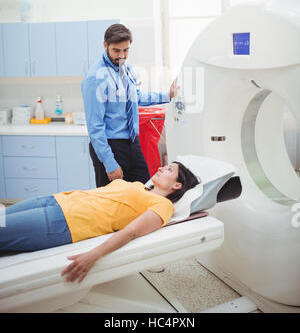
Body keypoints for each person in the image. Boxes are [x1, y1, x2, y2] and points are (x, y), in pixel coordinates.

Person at [0, 162, 198, 283]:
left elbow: (132, 232)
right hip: (56, 200)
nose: (161, 168)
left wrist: (95, 254)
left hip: (64, 221)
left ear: (177, 185)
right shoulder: (140, 187)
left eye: (169, 169)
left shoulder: (163, 205)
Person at [81, 23, 179, 187]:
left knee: (144, 190)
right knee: (113, 202)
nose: (122, 55)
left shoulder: (125, 68)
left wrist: (167, 95)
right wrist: (110, 164)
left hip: (132, 142)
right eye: (116, 51)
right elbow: (95, 126)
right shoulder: (95, 78)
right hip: (110, 145)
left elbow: (136, 98)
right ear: (105, 46)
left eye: (126, 50)